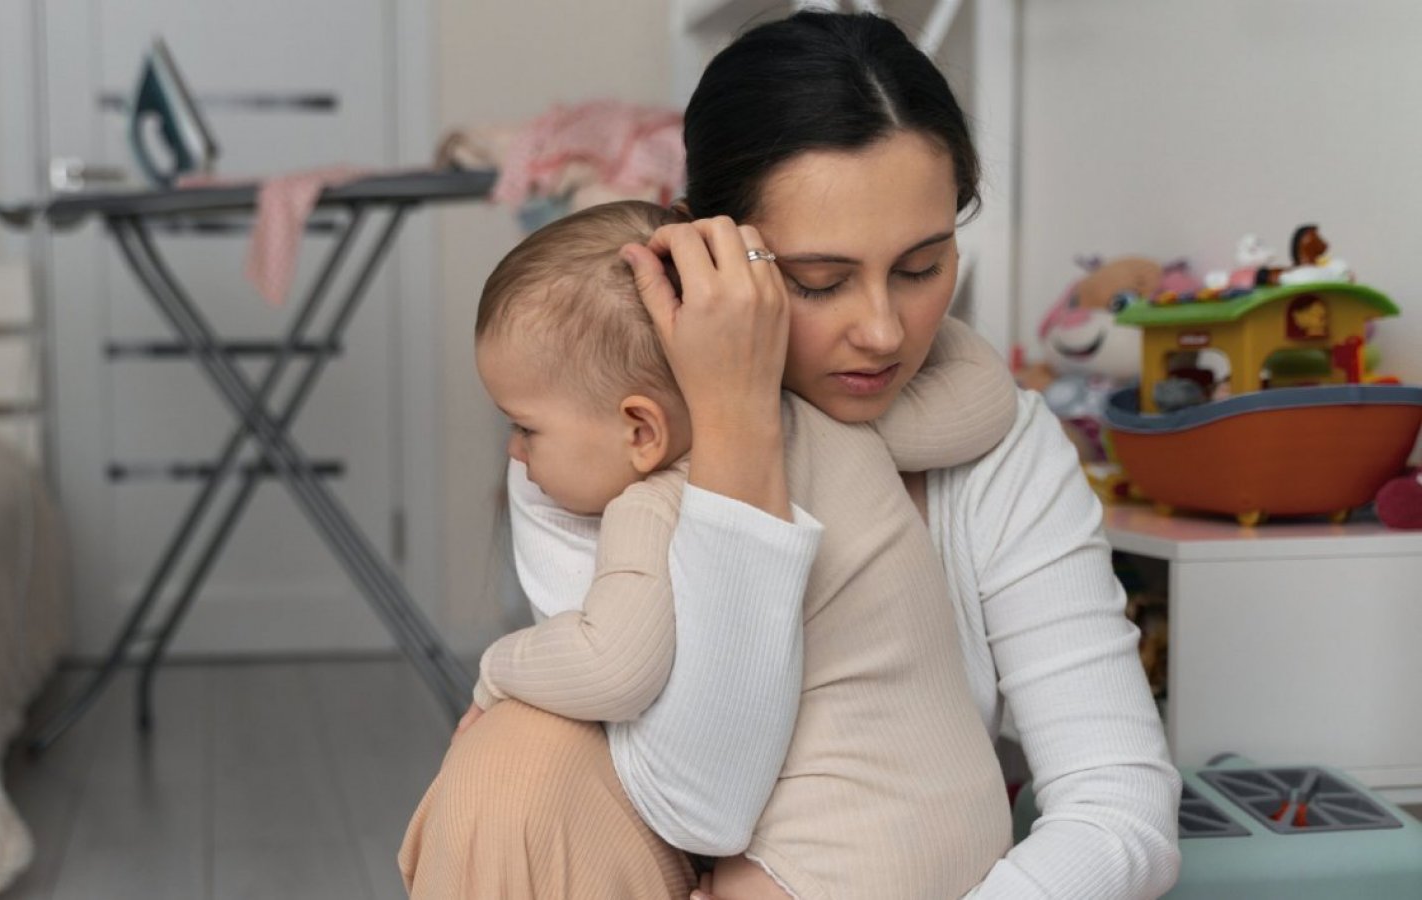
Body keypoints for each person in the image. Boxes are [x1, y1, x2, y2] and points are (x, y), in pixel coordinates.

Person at [403, 11, 1180, 899]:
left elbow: (1119, 807)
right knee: (513, 766)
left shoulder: (999, 451)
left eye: (923, 268)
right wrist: (737, 431)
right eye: (819, 281)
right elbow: (701, 805)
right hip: (653, 848)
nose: (884, 332)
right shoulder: (595, 451)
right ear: (700, 254)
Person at [451, 198, 1020, 898]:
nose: (514, 452)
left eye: (525, 428)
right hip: (973, 822)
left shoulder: (651, 507)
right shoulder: (832, 416)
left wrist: (496, 669)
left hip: (822, 863)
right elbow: (989, 399)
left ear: (641, 433)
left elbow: (614, 666)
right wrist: (792, 347)